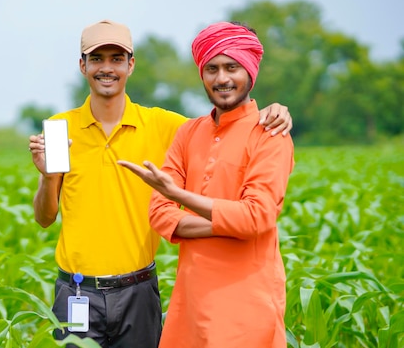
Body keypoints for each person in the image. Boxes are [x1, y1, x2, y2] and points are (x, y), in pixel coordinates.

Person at [28, 19, 293, 348]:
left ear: (131, 64)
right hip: (77, 291)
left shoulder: (165, 125)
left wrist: (277, 109)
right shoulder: (59, 129)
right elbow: (44, 217)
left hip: (138, 290)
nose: (106, 68)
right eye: (96, 59)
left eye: (116, 58)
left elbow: (227, 127)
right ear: (83, 66)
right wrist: (47, 175)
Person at [117, 21, 295, 347]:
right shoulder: (189, 133)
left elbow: (257, 217)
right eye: (211, 68)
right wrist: (231, 222)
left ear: (251, 71)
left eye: (232, 67)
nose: (221, 78)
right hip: (191, 305)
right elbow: (159, 214)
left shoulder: (270, 134)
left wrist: (179, 196)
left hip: (247, 309)